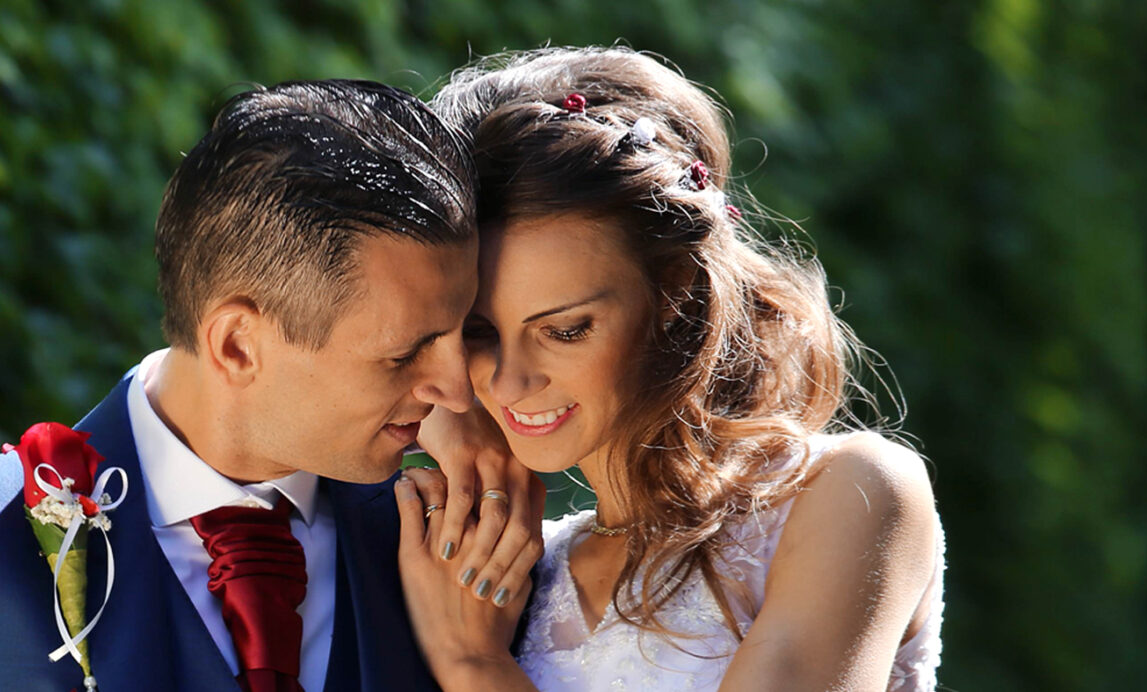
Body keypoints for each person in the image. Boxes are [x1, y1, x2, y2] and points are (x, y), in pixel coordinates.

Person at [0, 79, 541, 692]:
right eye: (406, 352)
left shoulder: (462, 554)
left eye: (464, 331)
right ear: (237, 345)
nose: (458, 391)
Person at [391, 47, 947, 691]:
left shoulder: (849, 494)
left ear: (675, 288)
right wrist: (447, 408)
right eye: (480, 333)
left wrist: (472, 664)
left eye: (565, 330)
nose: (511, 381)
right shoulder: (502, 567)